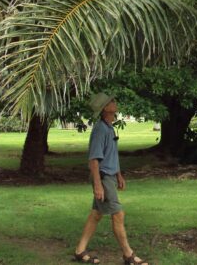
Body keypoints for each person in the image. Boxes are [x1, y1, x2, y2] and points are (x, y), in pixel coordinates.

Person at [74, 93, 149, 265]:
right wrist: (98, 185)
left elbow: (110, 155)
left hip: (109, 176)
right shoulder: (100, 129)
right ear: (105, 108)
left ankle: (80, 250)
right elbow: (94, 159)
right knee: (118, 214)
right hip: (103, 178)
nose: (115, 103)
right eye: (112, 101)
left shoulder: (109, 128)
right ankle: (128, 256)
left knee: (96, 214)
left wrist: (119, 174)